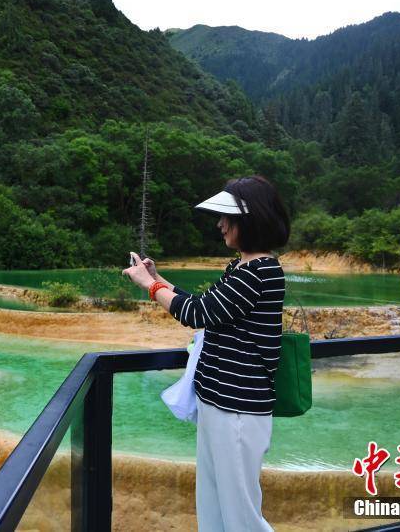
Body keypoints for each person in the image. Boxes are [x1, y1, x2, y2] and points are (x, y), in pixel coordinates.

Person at [121, 175, 290, 532]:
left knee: (241, 514)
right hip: (217, 402)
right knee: (212, 505)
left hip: (239, 410)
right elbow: (208, 305)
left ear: (249, 221)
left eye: (227, 217)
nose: (220, 224)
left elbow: (196, 314)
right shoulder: (241, 268)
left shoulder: (261, 272)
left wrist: (149, 286)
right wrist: (161, 279)